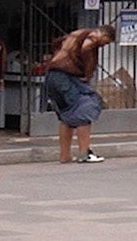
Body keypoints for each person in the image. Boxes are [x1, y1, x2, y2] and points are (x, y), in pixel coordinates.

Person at [44, 25, 115, 163]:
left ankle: (65, 155)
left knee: (66, 115)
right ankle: (84, 153)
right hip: (67, 77)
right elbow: (85, 47)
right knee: (86, 108)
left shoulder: (75, 34)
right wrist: (86, 73)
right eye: (106, 42)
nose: (104, 45)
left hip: (52, 75)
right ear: (104, 35)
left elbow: (57, 43)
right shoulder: (91, 39)